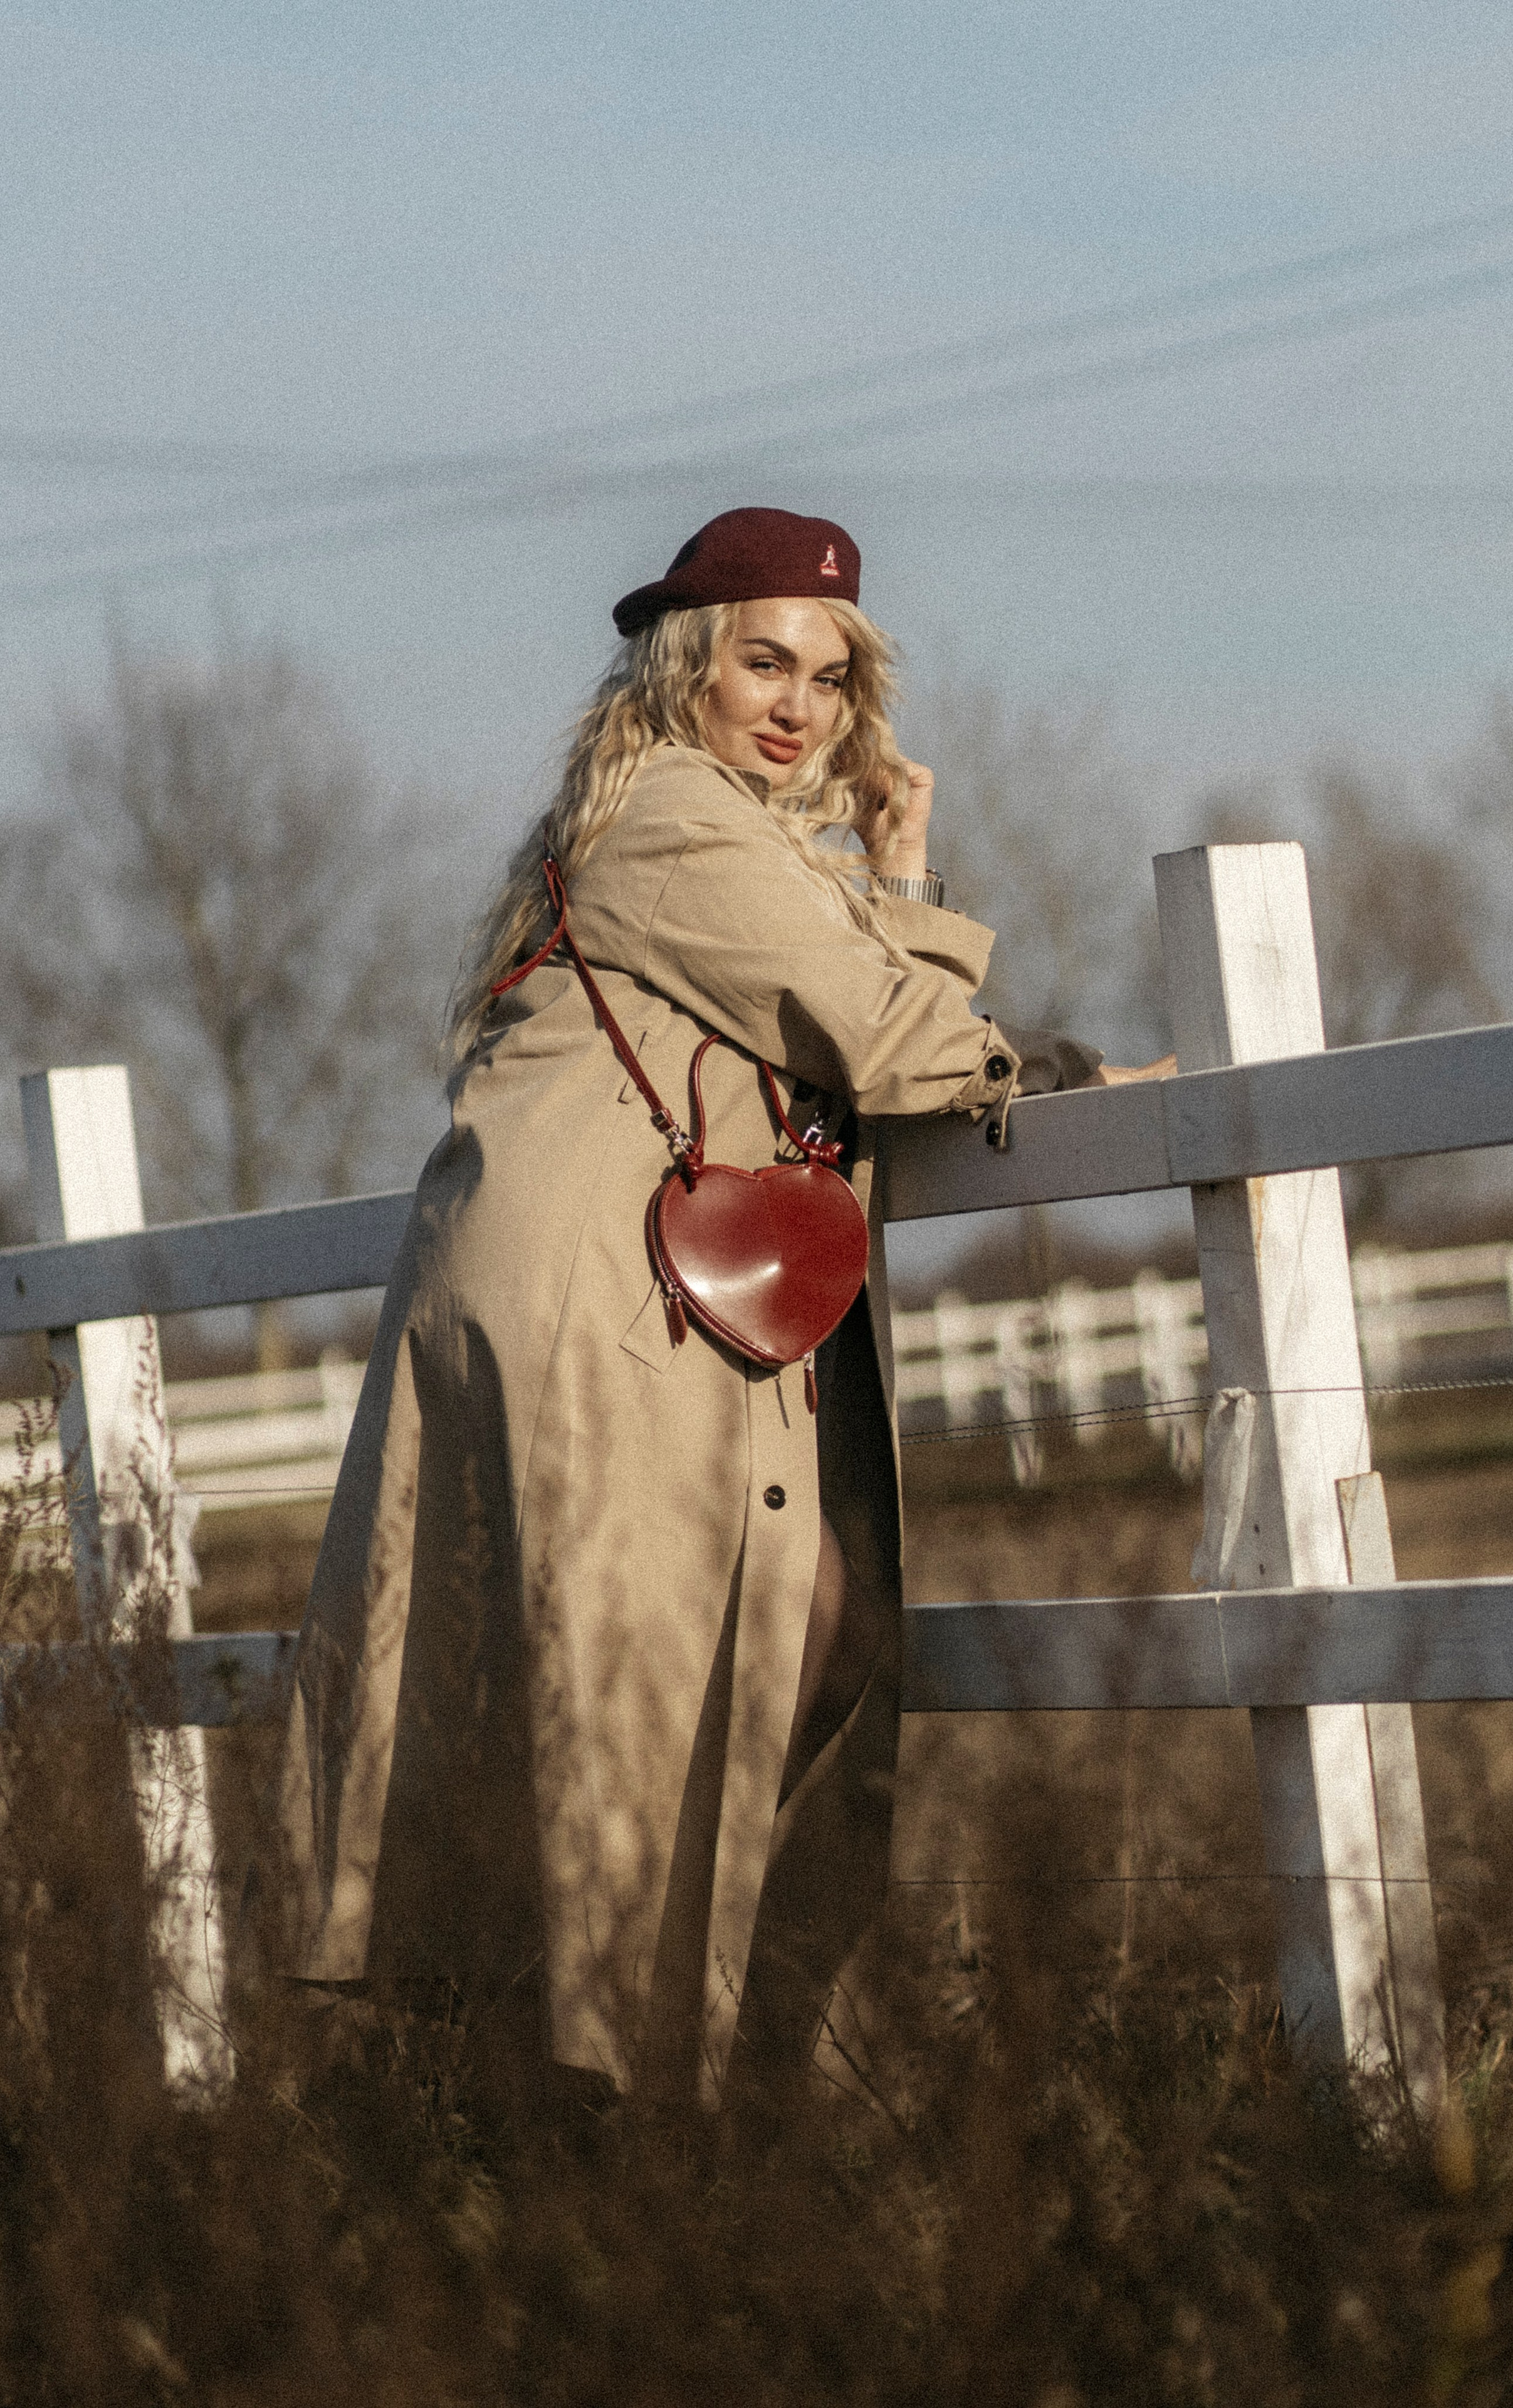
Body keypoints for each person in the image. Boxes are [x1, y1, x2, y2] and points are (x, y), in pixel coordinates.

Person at [273, 507, 1163, 2110]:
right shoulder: (674, 820)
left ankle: (610, 2055)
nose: (797, 707)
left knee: (716, 1644)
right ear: (685, 663)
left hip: (608, 1291)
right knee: (687, 1653)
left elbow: (840, 1024)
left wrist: (906, 906)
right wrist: (989, 994)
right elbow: (886, 1046)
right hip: (599, 1305)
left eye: (827, 678)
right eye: (763, 660)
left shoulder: (710, 836)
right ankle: (623, 2075)